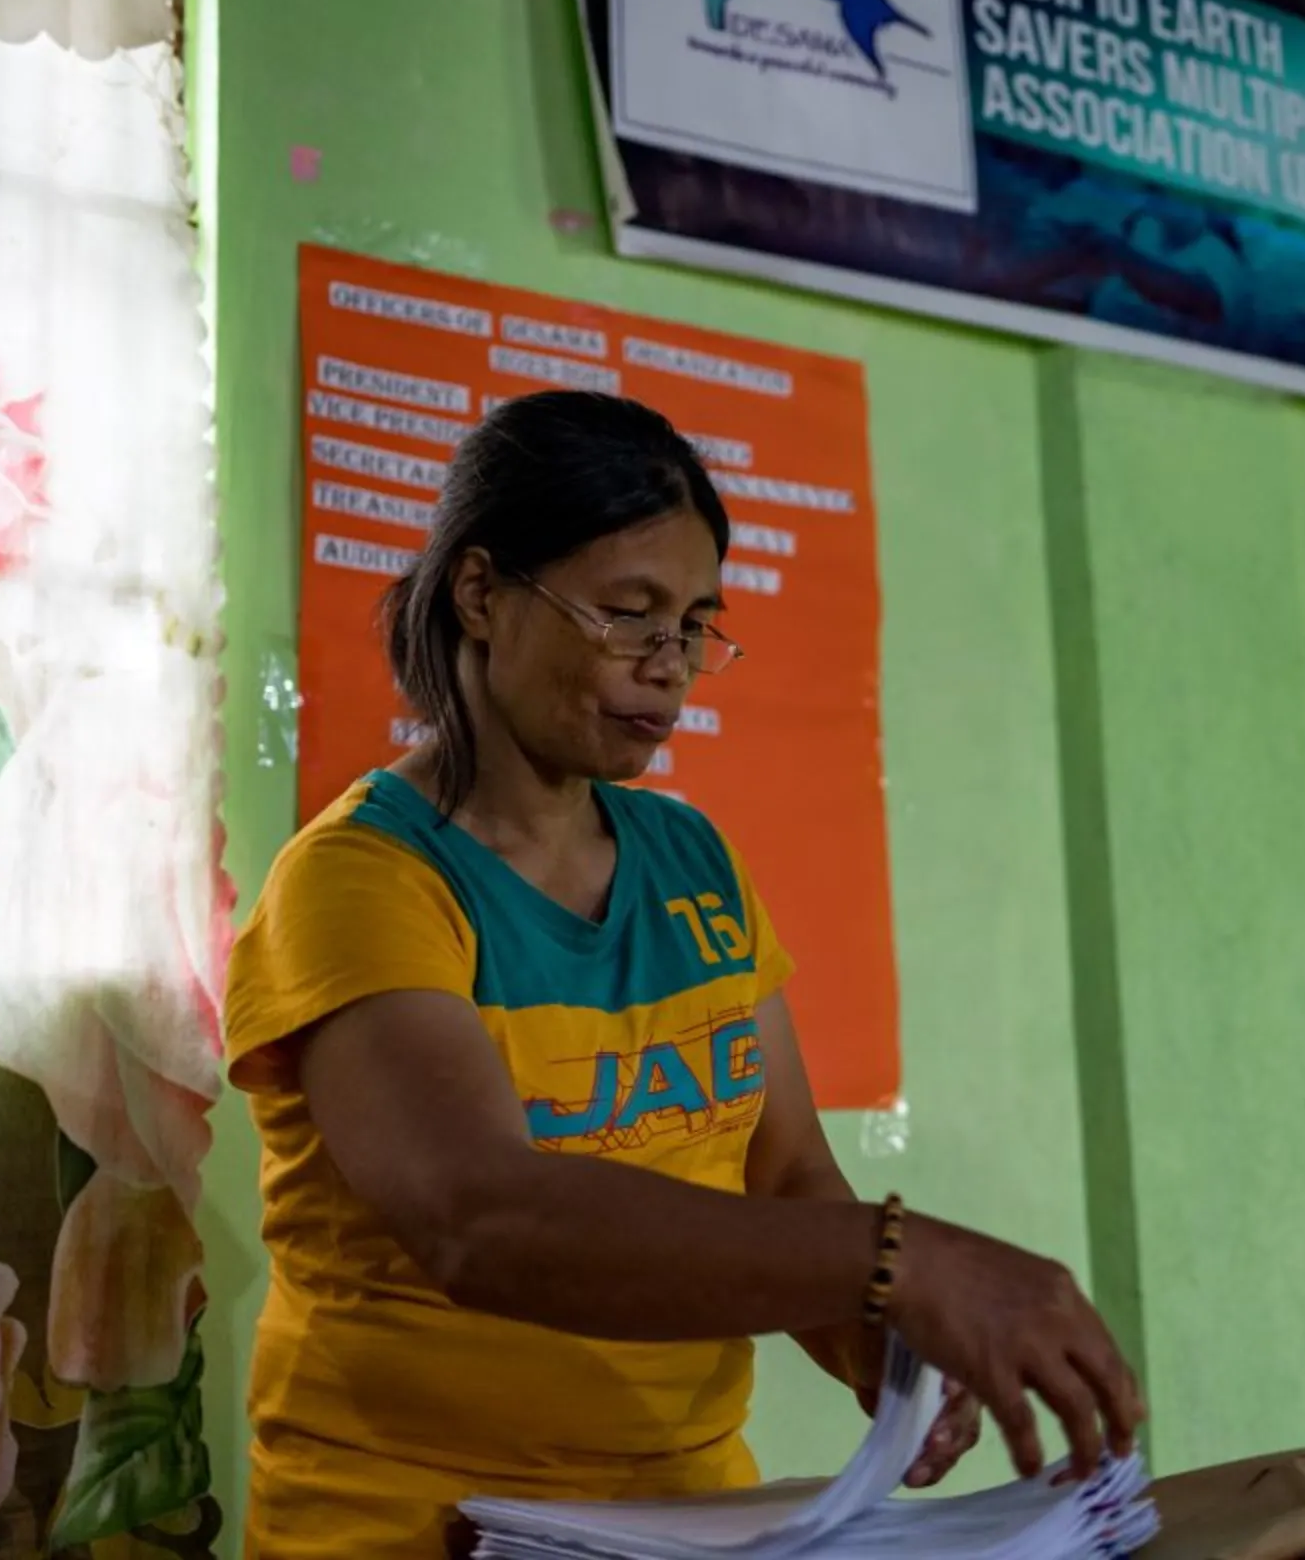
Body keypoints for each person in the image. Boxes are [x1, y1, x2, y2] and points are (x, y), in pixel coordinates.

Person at [223, 390, 1145, 1558]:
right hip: (416, 1523)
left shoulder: (690, 858)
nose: (670, 668)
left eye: (695, 626)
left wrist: (878, 1341)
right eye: (627, 614)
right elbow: (482, 1218)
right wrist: (899, 1260)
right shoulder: (361, 882)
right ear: (480, 594)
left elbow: (787, 1166)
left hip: (693, 1520)